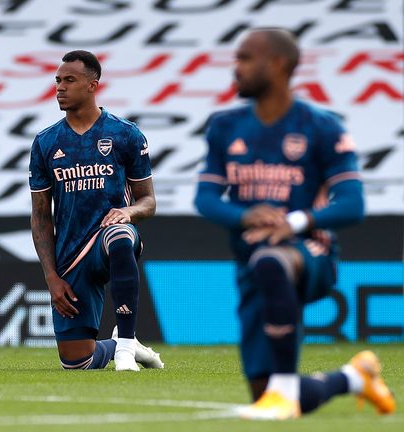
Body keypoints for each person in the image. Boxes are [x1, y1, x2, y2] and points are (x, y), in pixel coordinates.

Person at [194, 28, 395, 419]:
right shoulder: (224, 126)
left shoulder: (322, 126)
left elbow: (352, 204)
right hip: (250, 260)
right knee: (261, 393)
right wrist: (244, 216)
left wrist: (296, 222)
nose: (235, 67)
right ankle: (354, 378)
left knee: (273, 260)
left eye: (245, 58)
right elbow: (204, 198)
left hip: (311, 252)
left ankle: (285, 390)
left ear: (278, 64)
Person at [29, 50, 163, 372]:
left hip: (109, 239)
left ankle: (126, 350)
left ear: (93, 85)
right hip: (71, 256)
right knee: (77, 362)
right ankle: (118, 344)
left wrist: (128, 212)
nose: (60, 87)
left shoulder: (124, 134)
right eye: (58, 81)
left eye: (69, 80)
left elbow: (149, 202)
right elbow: (40, 217)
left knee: (119, 235)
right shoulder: (46, 142)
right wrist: (51, 276)